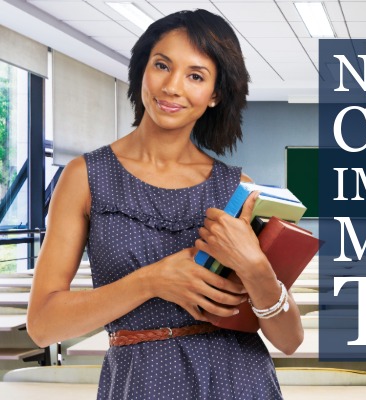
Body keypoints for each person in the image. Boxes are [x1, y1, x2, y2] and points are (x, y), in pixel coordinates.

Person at [27, 9, 303, 399]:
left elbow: (289, 340)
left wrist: (256, 268)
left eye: (195, 76)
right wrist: (152, 281)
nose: (173, 87)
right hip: (140, 383)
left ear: (215, 95)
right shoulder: (84, 176)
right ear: (143, 70)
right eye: (162, 65)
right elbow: (42, 326)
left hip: (241, 380)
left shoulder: (237, 188)